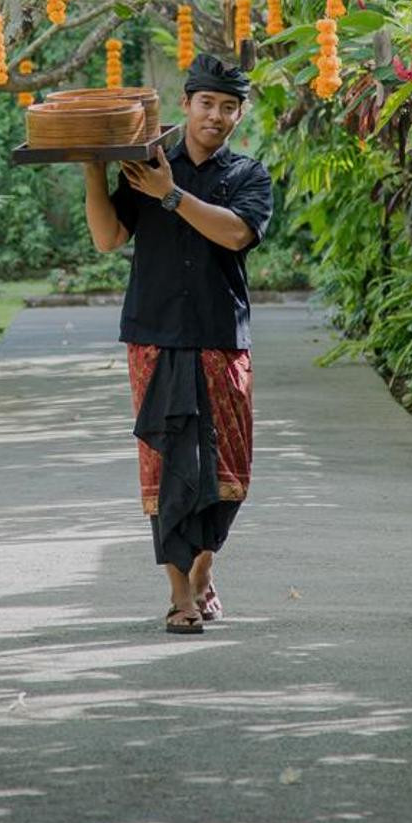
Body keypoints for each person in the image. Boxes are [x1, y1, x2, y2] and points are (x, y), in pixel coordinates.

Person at [82, 52, 273, 636]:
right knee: (166, 469)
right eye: (206, 103)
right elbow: (108, 238)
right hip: (154, 336)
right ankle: (178, 595)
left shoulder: (248, 177)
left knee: (230, 471)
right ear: (187, 104)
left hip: (221, 336)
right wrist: (94, 167)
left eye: (228, 107)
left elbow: (236, 232)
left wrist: (171, 196)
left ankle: (204, 570)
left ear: (239, 114)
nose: (215, 115)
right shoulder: (144, 166)